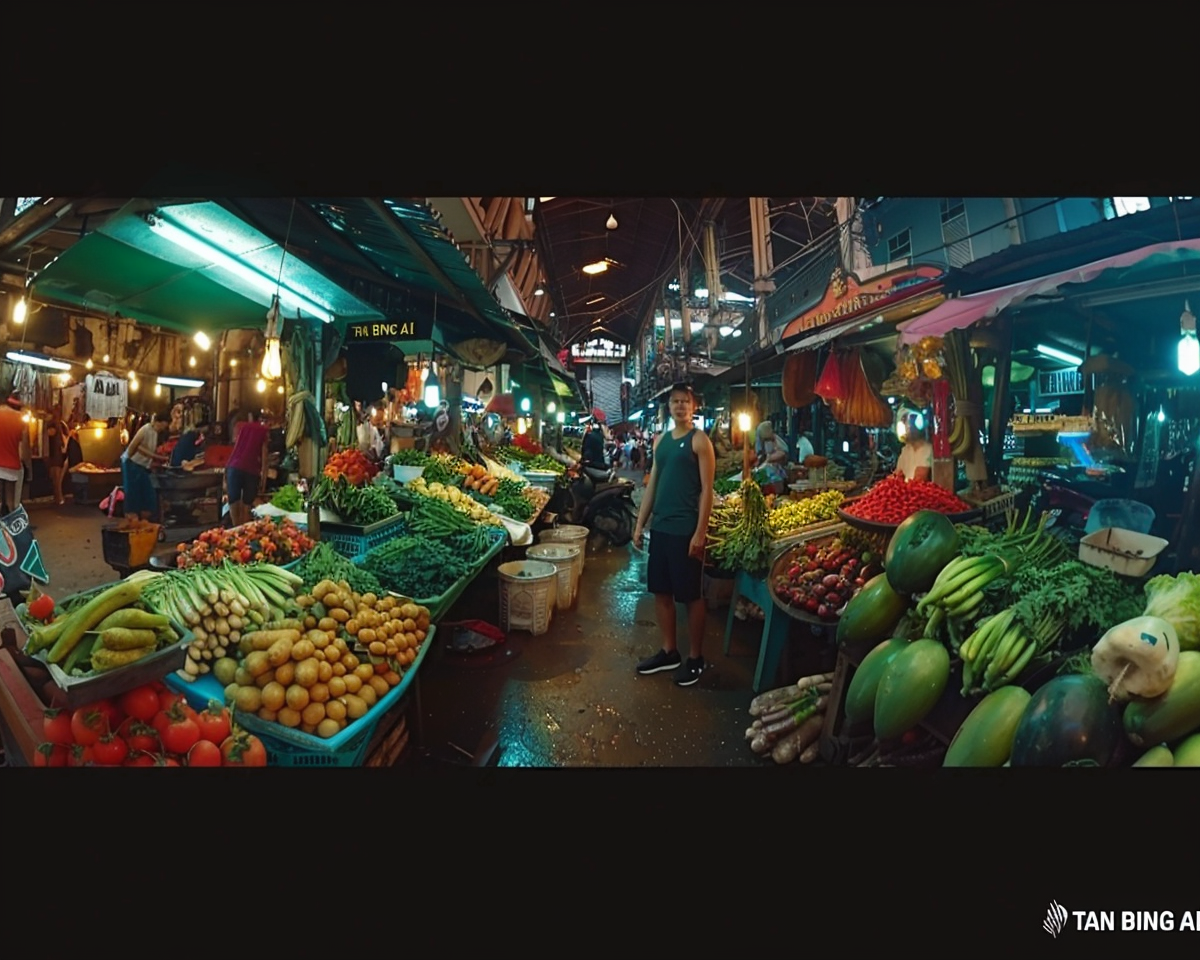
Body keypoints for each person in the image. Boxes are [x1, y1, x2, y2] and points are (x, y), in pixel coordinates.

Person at [632, 382, 717, 687]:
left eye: (685, 401)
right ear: (669, 407)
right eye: (675, 401)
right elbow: (652, 485)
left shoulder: (700, 441)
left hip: (685, 529)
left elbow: (708, 490)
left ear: (694, 407)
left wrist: (700, 532)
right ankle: (670, 651)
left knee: (691, 595)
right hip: (662, 528)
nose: (680, 406)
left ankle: (695, 657)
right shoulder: (661, 442)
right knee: (662, 592)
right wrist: (641, 523)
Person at [120, 410, 171, 521]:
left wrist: (155, 459)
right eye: (163, 426)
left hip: (143, 466)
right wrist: (158, 457)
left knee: (147, 494)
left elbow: (145, 448)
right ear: (158, 422)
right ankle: (132, 521)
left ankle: (143, 521)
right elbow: (134, 446)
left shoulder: (155, 432)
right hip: (131, 464)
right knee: (133, 495)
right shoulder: (145, 429)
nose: (163, 429)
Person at [226, 411, 270, 527]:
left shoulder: (242, 427)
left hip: (234, 467)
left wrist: (226, 472)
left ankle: (236, 531)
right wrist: (263, 479)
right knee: (247, 504)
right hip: (251, 470)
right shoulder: (264, 430)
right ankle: (244, 533)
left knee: (233, 501)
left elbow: (236, 447)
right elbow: (264, 457)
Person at [0, 395, 31, 516]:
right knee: (11, 502)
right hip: (12, 465)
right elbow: (23, 448)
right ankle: (13, 529)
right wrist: (26, 464)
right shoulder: (21, 419)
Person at [895, 414, 934, 482]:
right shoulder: (905, 450)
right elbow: (897, 475)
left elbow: (920, 478)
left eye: (908, 426)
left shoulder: (928, 450)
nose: (906, 431)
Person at [45, 406, 69, 505]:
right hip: (56, 454)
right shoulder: (59, 424)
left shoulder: (55, 424)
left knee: (57, 478)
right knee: (56, 478)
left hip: (55, 454)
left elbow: (51, 433)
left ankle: (58, 497)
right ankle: (58, 497)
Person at [754, 421, 790, 485]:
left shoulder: (776, 440)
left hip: (777, 473)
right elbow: (759, 453)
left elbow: (783, 453)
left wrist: (769, 458)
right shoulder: (761, 441)